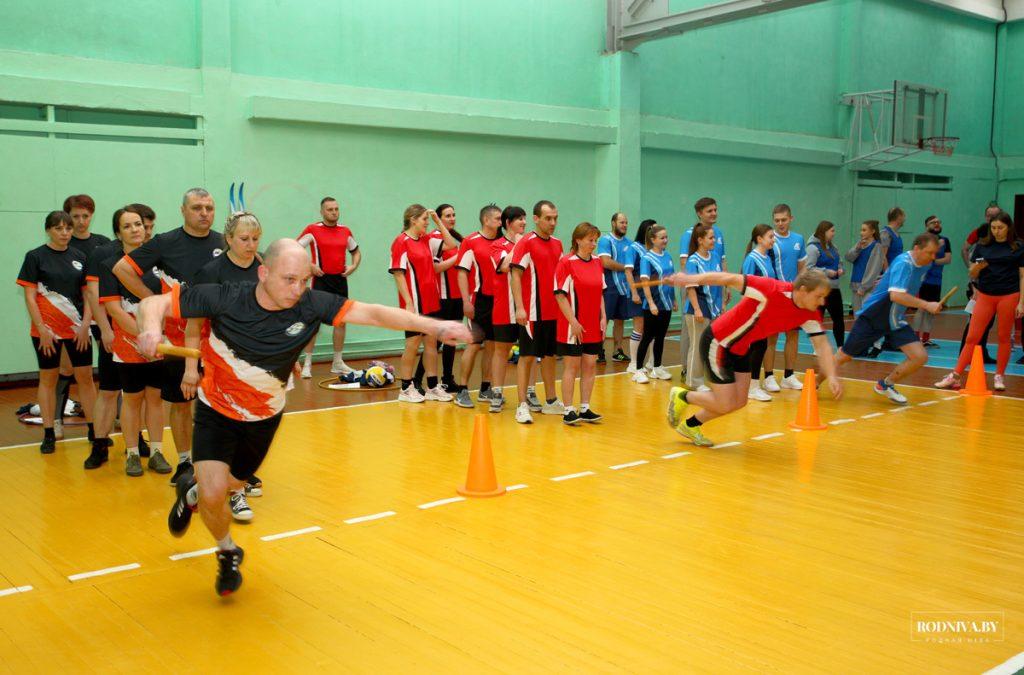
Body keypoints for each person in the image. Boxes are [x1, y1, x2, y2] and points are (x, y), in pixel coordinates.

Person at [145, 238, 472, 596]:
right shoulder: (225, 296)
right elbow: (154, 302)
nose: (297, 289)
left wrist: (436, 327)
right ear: (263, 273)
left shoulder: (312, 305)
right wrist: (150, 328)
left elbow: (375, 313)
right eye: (288, 279)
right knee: (214, 493)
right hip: (216, 410)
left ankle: (190, 496)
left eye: (304, 280)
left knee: (231, 487)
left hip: (265, 416)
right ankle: (226, 549)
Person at [113, 187, 224, 486]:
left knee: (220, 404)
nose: (204, 213)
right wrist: (154, 301)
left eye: (210, 208)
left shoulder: (225, 242)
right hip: (178, 342)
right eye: (198, 207)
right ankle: (186, 463)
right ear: (183, 210)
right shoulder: (165, 242)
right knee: (182, 403)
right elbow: (123, 269)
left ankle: (223, 465)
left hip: (219, 341)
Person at [664, 269, 841, 447]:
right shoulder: (772, 289)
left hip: (741, 347)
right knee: (724, 402)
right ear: (803, 290)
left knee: (739, 401)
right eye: (819, 296)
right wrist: (688, 279)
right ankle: (683, 396)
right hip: (718, 342)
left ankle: (690, 425)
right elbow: (729, 278)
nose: (822, 301)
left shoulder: (810, 314)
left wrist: (831, 376)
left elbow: (822, 345)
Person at [188, 211, 265, 520]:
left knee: (251, 430)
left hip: (256, 365)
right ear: (229, 239)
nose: (250, 245)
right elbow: (194, 325)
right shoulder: (210, 272)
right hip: (218, 364)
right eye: (244, 239)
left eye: (256, 239)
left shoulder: (264, 271)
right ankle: (231, 493)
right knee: (226, 430)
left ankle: (229, 486)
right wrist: (190, 368)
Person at [98, 206, 172, 477]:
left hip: (159, 343)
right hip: (128, 344)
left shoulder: (158, 263)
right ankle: (131, 454)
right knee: (131, 399)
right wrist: (142, 336)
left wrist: (157, 337)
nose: (135, 230)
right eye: (127, 226)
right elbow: (115, 309)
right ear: (118, 233)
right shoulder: (110, 266)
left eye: (138, 224)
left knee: (155, 398)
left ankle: (156, 452)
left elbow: (166, 304)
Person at [17, 211, 97, 454]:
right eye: (59, 229)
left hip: (77, 330)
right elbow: (30, 297)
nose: (64, 233)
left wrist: (85, 325)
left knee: (85, 378)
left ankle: (95, 431)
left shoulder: (80, 257)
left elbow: (87, 294)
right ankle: (49, 432)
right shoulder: (35, 257)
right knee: (48, 379)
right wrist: (42, 328)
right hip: (46, 332)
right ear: (48, 230)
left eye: (68, 229)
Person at [834, 233, 942, 404]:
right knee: (845, 356)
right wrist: (927, 305)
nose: (933, 257)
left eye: (935, 253)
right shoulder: (904, 263)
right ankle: (815, 382)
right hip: (875, 314)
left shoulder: (925, 265)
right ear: (917, 249)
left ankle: (885, 384)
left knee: (919, 356)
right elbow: (896, 296)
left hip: (895, 318)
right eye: (930, 252)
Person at [934, 212, 1023, 392]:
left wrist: (1022, 302)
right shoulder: (983, 246)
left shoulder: (1019, 246)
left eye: (1001, 228)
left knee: (1004, 337)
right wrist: (977, 268)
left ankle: (999, 376)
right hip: (985, 296)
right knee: (972, 337)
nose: (997, 231)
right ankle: (955, 375)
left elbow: (1022, 275)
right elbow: (973, 273)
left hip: (1009, 295)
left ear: (1008, 227)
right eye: (994, 228)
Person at [390, 205, 453, 403]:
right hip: (414, 303)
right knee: (412, 344)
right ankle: (406, 388)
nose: (427, 222)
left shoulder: (426, 240)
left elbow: (451, 245)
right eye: (425, 219)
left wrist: (438, 221)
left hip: (431, 299)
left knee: (431, 343)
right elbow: (399, 274)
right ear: (413, 219)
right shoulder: (401, 242)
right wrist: (408, 302)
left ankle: (433, 386)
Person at [510, 200, 565, 424]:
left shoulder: (558, 244)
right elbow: (515, 275)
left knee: (550, 356)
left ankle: (551, 401)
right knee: (527, 356)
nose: (552, 223)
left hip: (554, 312)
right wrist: (520, 307)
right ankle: (522, 405)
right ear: (536, 218)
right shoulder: (526, 243)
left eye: (555, 218)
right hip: (532, 313)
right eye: (548, 218)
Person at [297, 197, 361, 378]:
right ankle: (307, 363)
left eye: (336, 209)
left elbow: (355, 251)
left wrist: (353, 266)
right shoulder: (312, 229)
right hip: (320, 280)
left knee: (341, 321)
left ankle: (337, 362)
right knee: (313, 321)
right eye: (330, 209)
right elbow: (294, 248)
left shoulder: (345, 231)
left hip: (340, 281)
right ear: (322, 212)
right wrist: (309, 265)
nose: (334, 212)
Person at [555, 222, 606, 424]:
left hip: (593, 323)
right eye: (590, 240)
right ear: (578, 240)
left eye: (596, 240)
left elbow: (600, 291)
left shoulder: (597, 262)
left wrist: (603, 316)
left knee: (590, 364)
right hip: (572, 324)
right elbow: (560, 296)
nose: (594, 244)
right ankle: (568, 409)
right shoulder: (566, 262)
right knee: (572, 366)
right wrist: (573, 321)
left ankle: (585, 407)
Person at [453, 205, 502, 407]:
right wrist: (466, 301)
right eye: (498, 219)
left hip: (499, 302)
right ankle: (462, 390)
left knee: (492, 346)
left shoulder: (502, 242)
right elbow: (462, 272)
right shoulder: (470, 242)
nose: (501, 223)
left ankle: (486, 388)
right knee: (473, 344)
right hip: (479, 300)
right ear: (486, 220)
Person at [679, 198, 729, 382]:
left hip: (714, 294)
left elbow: (722, 262)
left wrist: (725, 287)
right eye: (709, 210)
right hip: (696, 291)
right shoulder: (689, 236)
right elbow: (685, 263)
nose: (714, 213)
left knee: (708, 338)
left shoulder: (718, 237)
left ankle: (705, 374)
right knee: (693, 336)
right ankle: (688, 371)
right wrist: (693, 287)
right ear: (699, 213)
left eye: (715, 209)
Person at [415, 203, 463, 391]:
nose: (452, 218)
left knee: (451, 340)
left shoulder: (456, 238)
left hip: (457, 297)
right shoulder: (434, 239)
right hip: (442, 297)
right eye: (448, 216)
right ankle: (417, 380)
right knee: (434, 342)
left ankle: (447, 380)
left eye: (453, 215)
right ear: (439, 219)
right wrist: (455, 260)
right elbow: (434, 268)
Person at [487, 205, 527, 413]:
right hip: (504, 307)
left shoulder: (529, 242)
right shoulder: (497, 245)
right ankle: (497, 392)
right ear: (508, 223)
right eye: (519, 219)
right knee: (501, 350)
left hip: (526, 307)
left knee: (529, 353)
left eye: (525, 219)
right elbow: (504, 266)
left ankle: (529, 392)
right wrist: (519, 246)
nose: (524, 223)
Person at [763, 204, 806, 392]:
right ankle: (769, 376)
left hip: (793, 296)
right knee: (771, 338)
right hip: (774, 296)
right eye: (777, 220)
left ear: (791, 219)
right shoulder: (769, 240)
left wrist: (796, 289)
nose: (780, 223)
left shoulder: (798, 239)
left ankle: (789, 375)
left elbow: (802, 267)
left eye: (784, 220)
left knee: (793, 335)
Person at [741, 224, 783, 402]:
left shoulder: (767, 258)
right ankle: (751, 386)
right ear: (759, 239)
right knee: (757, 347)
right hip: (755, 310)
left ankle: (753, 384)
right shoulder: (752, 259)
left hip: (766, 309)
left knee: (762, 346)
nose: (773, 240)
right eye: (770, 237)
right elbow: (747, 286)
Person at [958, 204, 1003, 364]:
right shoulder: (981, 235)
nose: (991, 218)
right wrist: (973, 281)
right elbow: (974, 260)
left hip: (994, 290)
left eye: (995, 215)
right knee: (974, 322)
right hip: (979, 288)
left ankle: (981, 352)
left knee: (987, 323)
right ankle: (964, 354)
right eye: (989, 215)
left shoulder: (1002, 238)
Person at [682, 224, 723, 391]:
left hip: (712, 306)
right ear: (700, 240)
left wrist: (721, 305)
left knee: (707, 346)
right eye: (711, 238)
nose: (714, 240)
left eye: (714, 237)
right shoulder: (693, 261)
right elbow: (690, 287)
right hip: (697, 308)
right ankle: (693, 381)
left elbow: (720, 281)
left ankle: (703, 378)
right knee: (697, 345)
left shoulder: (714, 257)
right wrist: (697, 309)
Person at [634, 224, 676, 383]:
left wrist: (673, 300)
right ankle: (638, 369)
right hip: (653, 304)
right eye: (662, 238)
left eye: (666, 237)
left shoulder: (668, 256)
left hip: (666, 304)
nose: (665, 240)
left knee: (660, 337)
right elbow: (645, 282)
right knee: (647, 337)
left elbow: (671, 280)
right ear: (653, 239)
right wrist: (650, 303)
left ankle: (657, 367)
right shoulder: (647, 258)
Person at [597, 212, 632, 363]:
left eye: (626, 222)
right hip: (609, 286)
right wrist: (626, 268)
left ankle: (618, 351)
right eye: (621, 222)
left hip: (624, 287)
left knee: (620, 319)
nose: (624, 225)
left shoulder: (629, 243)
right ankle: (599, 350)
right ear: (613, 223)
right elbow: (605, 262)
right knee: (604, 318)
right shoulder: (605, 240)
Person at [911, 216, 951, 347]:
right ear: (926, 225)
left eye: (939, 222)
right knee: (922, 308)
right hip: (923, 280)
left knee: (931, 311)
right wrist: (935, 254)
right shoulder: (922, 240)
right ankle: (915, 338)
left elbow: (948, 259)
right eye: (933, 222)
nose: (937, 224)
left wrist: (932, 260)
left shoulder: (945, 240)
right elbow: (918, 258)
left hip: (937, 280)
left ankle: (926, 339)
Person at [805, 220, 845, 348]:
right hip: (819, 290)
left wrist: (840, 269)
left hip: (834, 289)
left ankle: (840, 347)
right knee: (817, 320)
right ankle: (817, 348)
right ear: (824, 232)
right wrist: (826, 272)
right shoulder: (812, 248)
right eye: (832, 231)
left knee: (838, 319)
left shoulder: (834, 248)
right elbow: (809, 268)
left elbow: (840, 262)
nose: (834, 233)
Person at [624, 219, 656, 374]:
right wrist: (634, 292)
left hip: (653, 293)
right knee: (639, 327)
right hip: (639, 292)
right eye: (653, 230)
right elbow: (628, 271)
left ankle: (652, 363)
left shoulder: (655, 250)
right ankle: (634, 363)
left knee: (652, 328)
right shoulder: (633, 248)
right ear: (646, 230)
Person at [846, 220, 885, 314]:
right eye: (861, 230)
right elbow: (849, 257)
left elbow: (874, 270)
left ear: (872, 231)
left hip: (867, 288)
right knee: (857, 317)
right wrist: (857, 248)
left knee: (867, 317)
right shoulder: (859, 244)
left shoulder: (877, 247)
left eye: (864, 230)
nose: (861, 233)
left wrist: (864, 287)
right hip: (856, 286)